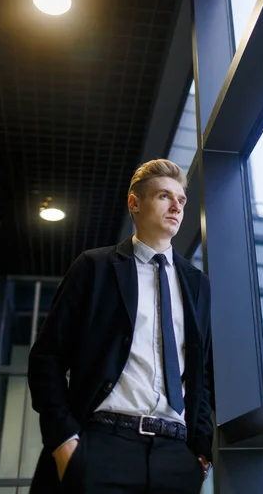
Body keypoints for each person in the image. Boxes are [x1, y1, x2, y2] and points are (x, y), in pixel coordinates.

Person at [28, 159, 213, 493]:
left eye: (181, 200)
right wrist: (64, 441)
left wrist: (200, 451)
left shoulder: (197, 284)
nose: (176, 206)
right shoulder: (94, 267)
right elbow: (47, 358)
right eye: (164, 196)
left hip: (176, 456)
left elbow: (203, 373)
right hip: (103, 446)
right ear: (134, 203)